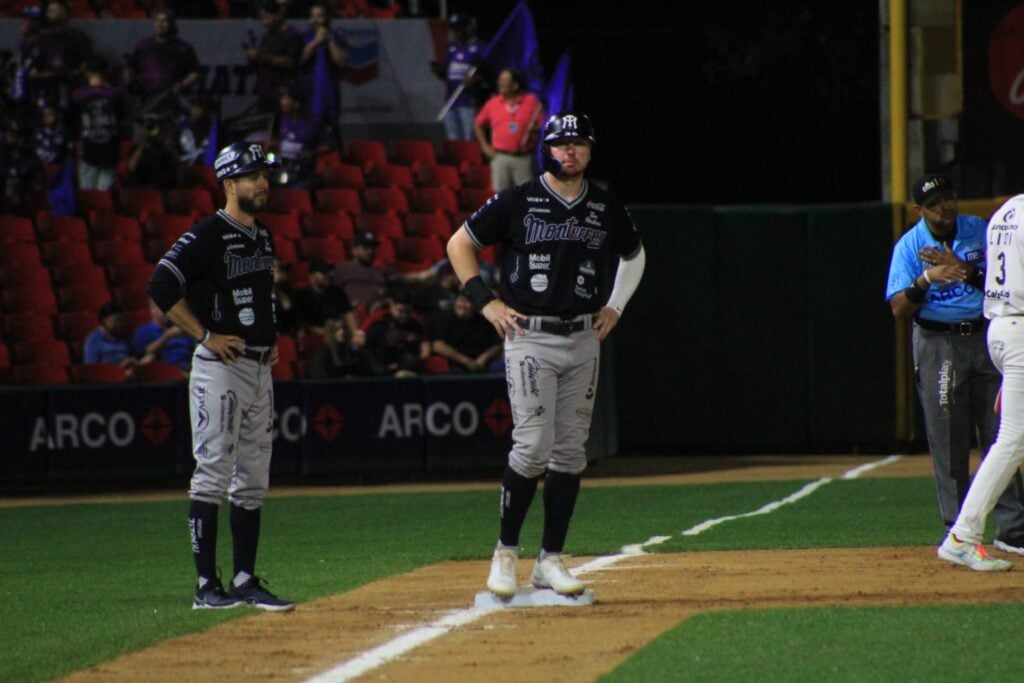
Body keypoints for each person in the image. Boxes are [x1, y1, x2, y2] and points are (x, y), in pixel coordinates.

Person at [447, 111, 645, 598]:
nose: (570, 151)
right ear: (546, 150)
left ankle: (549, 560)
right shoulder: (518, 200)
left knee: (571, 451)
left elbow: (634, 254)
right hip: (530, 336)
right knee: (532, 445)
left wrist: (615, 306)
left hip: (582, 336)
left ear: (590, 151)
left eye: (579, 143)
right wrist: (485, 301)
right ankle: (505, 554)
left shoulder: (603, 205)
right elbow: (460, 243)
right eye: (561, 143)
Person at [146, 141, 294, 611]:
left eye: (264, 175)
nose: (262, 183)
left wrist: (269, 339)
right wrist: (205, 334)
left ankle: (246, 579)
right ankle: (207, 586)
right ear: (229, 184)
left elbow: (258, 295)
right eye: (252, 176)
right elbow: (161, 284)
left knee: (252, 479)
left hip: (257, 366)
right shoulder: (207, 233)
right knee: (212, 474)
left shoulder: (261, 235)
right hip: (221, 369)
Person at [887, 173, 1024, 568]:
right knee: (955, 437)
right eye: (936, 202)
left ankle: (1008, 529)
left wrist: (961, 267)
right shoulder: (911, 244)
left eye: (950, 197)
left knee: (1002, 434)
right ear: (920, 211)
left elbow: (991, 279)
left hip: (986, 334)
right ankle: (959, 530)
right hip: (941, 341)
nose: (946, 206)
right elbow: (898, 307)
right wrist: (927, 278)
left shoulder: (987, 223)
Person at [936, 189, 1024, 571]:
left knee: (1012, 436)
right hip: (1020, 328)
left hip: (1001, 328)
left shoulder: (1007, 209)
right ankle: (963, 536)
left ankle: (963, 535)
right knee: (1012, 438)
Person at [472, 68, 545, 192]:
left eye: (505, 80)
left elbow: (543, 124)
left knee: (526, 196)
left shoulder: (531, 102)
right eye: (500, 80)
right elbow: (477, 124)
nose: (501, 83)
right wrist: (485, 146)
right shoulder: (493, 103)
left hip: (523, 158)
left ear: (515, 85)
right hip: (500, 157)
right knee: (501, 199)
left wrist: (535, 129)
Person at [71, 60, 124, 192]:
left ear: (87, 73)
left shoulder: (79, 95)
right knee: (104, 194)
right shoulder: (116, 94)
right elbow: (123, 119)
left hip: (89, 148)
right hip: (110, 148)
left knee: (87, 194)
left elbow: (74, 121)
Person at [127, 9, 201, 104]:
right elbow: (131, 67)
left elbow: (195, 72)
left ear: (172, 24)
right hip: (146, 99)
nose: (160, 24)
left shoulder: (182, 48)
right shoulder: (143, 45)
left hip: (173, 98)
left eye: (164, 21)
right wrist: (130, 83)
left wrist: (181, 85)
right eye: (157, 21)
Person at [245, 0, 304, 116]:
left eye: (267, 18)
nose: (264, 23)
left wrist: (262, 56)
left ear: (278, 15)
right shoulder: (266, 37)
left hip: (284, 93)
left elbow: (290, 62)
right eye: (262, 19)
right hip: (266, 92)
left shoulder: (291, 35)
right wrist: (252, 58)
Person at [299, 2, 347, 143]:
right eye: (313, 17)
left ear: (327, 18)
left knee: (330, 136)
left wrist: (329, 41)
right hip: (309, 94)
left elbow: (342, 62)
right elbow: (300, 60)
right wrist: (315, 42)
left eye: (319, 16)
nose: (316, 21)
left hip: (329, 95)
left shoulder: (337, 37)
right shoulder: (305, 37)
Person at [432, 13, 484, 141]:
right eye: (454, 29)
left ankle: (471, 160)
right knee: (452, 138)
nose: (456, 32)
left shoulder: (480, 48)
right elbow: (446, 74)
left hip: (468, 102)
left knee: (468, 137)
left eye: (459, 28)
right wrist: (438, 71)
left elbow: (487, 73)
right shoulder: (451, 49)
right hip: (450, 100)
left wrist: (475, 79)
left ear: (467, 28)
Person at [428, 292, 502, 373]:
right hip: (453, 363)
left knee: (500, 367)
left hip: (481, 363)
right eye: (461, 301)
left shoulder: (484, 322)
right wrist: (466, 361)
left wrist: (484, 357)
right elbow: (437, 345)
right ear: (454, 303)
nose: (463, 305)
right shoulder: (444, 319)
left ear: (475, 305)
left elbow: (497, 345)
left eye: (468, 302)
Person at [364, 289, 431, 376]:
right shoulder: (379, 325)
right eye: (400, 311)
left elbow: (425, 350)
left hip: (409, 369)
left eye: (408, 312)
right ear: (392, 306)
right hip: (381, 370)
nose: (404, 316)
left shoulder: (416, 326)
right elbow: (369, 350)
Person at [292, 257, 358, 339]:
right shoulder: (302, 296)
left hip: (339, 333)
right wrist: (328, 332)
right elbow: (305, 326)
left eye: (329, 271)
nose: (329, 275)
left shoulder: (337, 291)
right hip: (316, 339)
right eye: (324, 272)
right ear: (311, 276)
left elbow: (348, 313)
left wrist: (355, 335)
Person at [273, 84, 324, 189]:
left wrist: (311, 153)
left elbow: (327, 145)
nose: (282, 102)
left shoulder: (313, 123)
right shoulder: (283, 120)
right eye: (282, 98)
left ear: (296, 103)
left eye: (286, 99)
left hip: (303, 171)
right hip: (283, 166)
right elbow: (279, 142)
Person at [133, 297, 196, 372]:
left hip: (189, 370)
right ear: (153, 310)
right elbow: (143, 356)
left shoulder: (182, 329)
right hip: (162, 374)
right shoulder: (144, 331)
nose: (169, 312)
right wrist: (167, 336)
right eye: (164, 308)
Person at [307, 317, 375, 378]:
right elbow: (320, 376)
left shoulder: (347, 349)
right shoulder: (324, 353)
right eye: (337, 329)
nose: (342, 331)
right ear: (331, 332)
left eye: (343, 328)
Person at [83, 300, 135, 368]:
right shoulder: (93, 341)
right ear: (104, 320)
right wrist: (119, 367)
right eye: (115, 321)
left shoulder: (123, 337)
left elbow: (131, 355)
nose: (119, 324)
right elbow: (92, 368)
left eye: (121, 321)